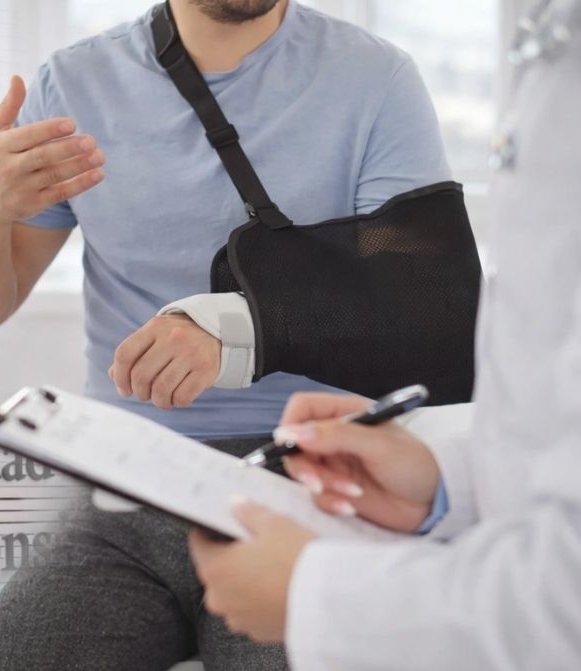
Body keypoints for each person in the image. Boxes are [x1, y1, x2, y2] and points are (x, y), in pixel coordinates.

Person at [0, 0, 452, 668]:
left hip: (305, 477)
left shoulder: (375, 81)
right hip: (126, 480)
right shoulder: (74, 86)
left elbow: (420, 309)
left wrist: (239, 334)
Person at [188, 2, 581, 668]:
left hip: (284, 486)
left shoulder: (378, 74)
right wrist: (444, 481)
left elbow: (432, 307)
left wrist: (319, 598)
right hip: (155, 488)